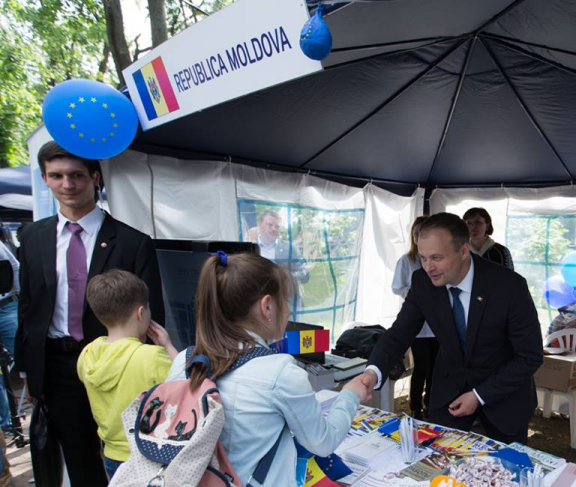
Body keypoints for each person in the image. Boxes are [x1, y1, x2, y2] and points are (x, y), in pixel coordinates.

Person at [15, 141, 165, 486]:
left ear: (94, 178)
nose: (67, 185)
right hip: (57, 367)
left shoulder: (133, 242)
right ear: (45, 179)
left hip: (118, 366)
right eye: (57, 176)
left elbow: (150, 313)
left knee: (130, 458)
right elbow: (29, 307)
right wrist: (29, 369)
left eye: (76, 175)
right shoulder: (33, 237)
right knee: (80, 460)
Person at [165, 252, 371, 486]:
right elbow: (322, 442)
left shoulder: (184, 360)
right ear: (267, 306)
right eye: (285, 301)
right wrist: (350, 395)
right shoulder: (280, 372)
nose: (289, 311)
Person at [360, 213, 543, 444]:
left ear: (463, 251)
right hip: (449, 393)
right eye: (423, 258)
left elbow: (530, 355)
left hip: (504, 396)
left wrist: (479, 395)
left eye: (436, 257)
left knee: (505, 471)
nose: (428, 267)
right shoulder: (422, 283)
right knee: (438, 463)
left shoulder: (509, 286)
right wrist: (372, 372)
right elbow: (398, 335)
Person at [77, 270, 178, 479]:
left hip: (113, 455)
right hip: (150, 455)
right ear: (141, 313)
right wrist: (168, 346)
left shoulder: (87, 355)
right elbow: (185, 384)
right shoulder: (151, 357)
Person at [391, 216, 438, 420]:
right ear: (413, 235)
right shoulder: (407, 260)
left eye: (424, 232)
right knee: (421, 366)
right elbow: (397, 287)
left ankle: (431, 403)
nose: (420, 236)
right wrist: (417, 292)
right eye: (417, 232)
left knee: (436, 367)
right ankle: (416, 406)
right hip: (417, 326)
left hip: (437, 323)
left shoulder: (438, 258)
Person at [255, 210, 309, 317]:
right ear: (259, 224)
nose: (274, 229)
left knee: (294, 334)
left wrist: (284, 277)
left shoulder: (289, 248)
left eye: (277, 226)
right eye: (270, 225)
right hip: (257, 305)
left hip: (287, 306)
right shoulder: (250, 248)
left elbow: (305, 274)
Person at [0, 229, 19, 431]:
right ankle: (4, 425)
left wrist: (23, 299)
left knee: (25, 358)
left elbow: (14, 266)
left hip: (5, 306)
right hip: (7, 307)